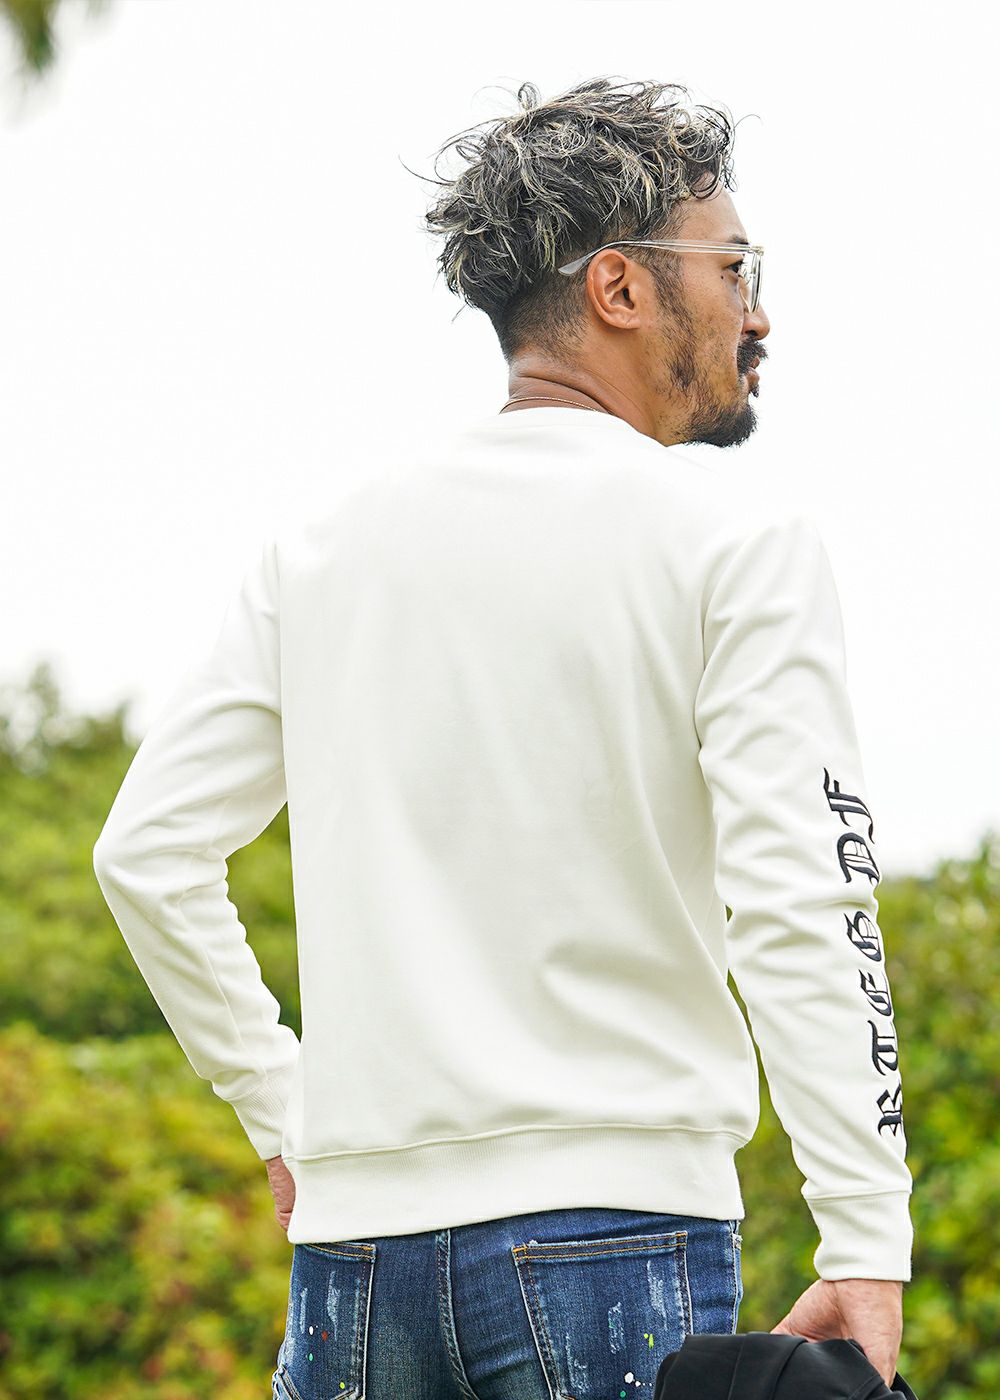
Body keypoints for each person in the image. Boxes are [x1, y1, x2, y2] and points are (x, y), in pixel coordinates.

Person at [93, 77, 913, 1400]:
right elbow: (803, 897)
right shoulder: (737, 545)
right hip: (613, 1236)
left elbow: (146, 853)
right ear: (620, 287)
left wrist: (281, 1110)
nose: (757, 311)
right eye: (734, 267)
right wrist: (867, 1232)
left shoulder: (325, 548)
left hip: (352, 1264)